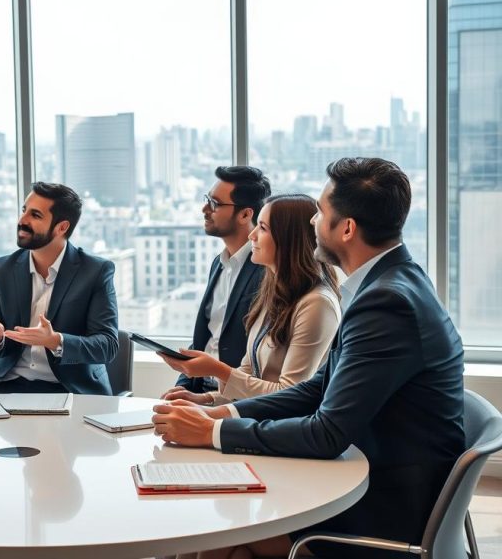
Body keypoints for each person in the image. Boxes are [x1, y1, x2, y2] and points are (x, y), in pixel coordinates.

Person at [152, 157, 465, 559]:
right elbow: (319, 386)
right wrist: (221, 415)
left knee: (213, 536)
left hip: (384, 506)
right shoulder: (392, 282)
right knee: (213, 537)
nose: (313, 221)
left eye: (320, 212)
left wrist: (210, 435)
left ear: (347, 228)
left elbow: (327, 433)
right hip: (380, 477)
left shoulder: (387, 302)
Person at [161, 194, 340, 405]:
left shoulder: (317, 304)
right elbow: (249, 373)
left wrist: (217, 370)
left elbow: (289, 394)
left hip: (284, 428)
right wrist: (204, 399)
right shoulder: (273, 291)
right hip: (258, 419)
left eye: (263, 228)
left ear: (289, 239)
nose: (252, 235)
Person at [0, 182, 119, 395]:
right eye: (24, 210)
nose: (22, 221)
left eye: (35, 216)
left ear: (61, 227)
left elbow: (107, 345)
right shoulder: (2, 269)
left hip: (68, 389)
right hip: (5, 384)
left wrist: (55, 341)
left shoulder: (96, 271)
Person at [163, 166, 271, 398]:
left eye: (214, 203)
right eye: (207, 200)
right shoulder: (218, 263)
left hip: (238, 398)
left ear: (245, 215)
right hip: (202, 392)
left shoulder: (267, 271)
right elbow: (205, 340)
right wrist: (182, 387)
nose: (204, 209)